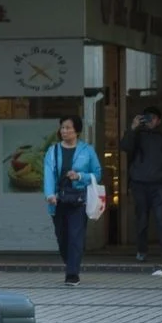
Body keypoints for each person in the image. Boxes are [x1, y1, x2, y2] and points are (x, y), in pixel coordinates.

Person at [44, 115, 101, 286]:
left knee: (76, 236)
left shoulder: (87, 150)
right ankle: (71, 263)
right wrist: (49, 194)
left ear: (77, 130)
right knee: (62, 238)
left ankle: (72, 274)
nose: (65, 131)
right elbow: (48, 174)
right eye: (62, 127)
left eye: (68, 128)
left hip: (79, 199)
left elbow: (97, 174)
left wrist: (80, 176)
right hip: (58, 199)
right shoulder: (52, 151)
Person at [121, 107, 162, 264]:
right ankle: (142, 250)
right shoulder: (137, 135)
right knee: (142, 219)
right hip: (139, 184)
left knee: (160, 217)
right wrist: (132, 128)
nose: (150, 121)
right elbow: (125, 147)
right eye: (147, 117)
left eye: (153, 118)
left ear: (159, 121)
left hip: (158, 185)